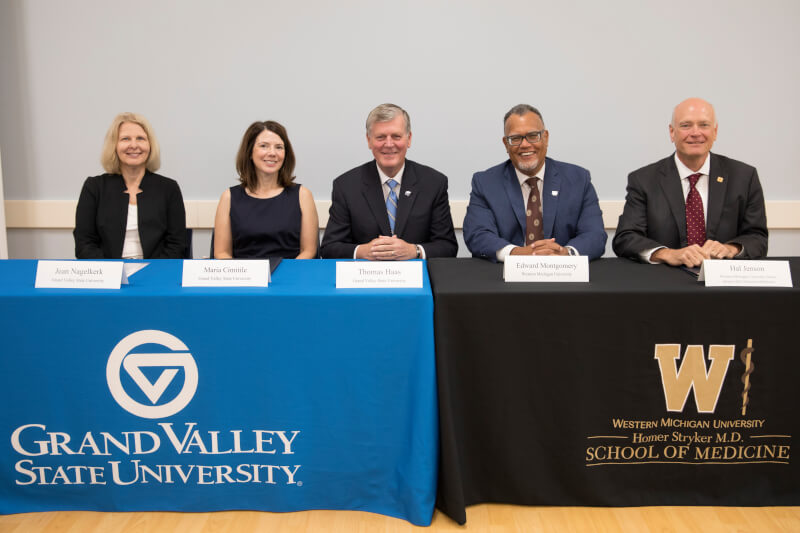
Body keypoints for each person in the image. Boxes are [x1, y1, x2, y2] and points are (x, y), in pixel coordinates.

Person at [612, 98, 768, 266]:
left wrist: (731, 249)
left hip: (723, 277)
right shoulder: (644, 180)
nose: (695, 133)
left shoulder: (744, 177)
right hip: (665, 277)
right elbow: (626, 238)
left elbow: (757, 237)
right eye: (686, 125)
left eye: (704, 125)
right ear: (672, 132)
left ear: (715, 132)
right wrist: (668, 254)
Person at [463, 104, 606, 261]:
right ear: (506, 144)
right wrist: (517, 253)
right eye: (515, 138)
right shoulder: (485, 183)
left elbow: (594, 234)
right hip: (505, 273)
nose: (525, 144)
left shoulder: (578, 179)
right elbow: (478, 234)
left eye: (532, 136)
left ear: (546, 138)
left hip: (565, 272)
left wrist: (565, 253)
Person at [319, 103, 457, 260]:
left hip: (417, 273)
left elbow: (448, 246)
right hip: (365, 273)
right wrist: (363, 251)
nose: (389, 144)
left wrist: (414, 251)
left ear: (409, 139)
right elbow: (329, 248)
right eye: (380, 137)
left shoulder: (433, 183)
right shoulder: (346, 186)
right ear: (369, 140)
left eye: (396, 136)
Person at [74, 112, 186, 259]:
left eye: (140, 138)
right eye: (125, 139)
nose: (134, 145)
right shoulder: (94, 188)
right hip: (108, 271)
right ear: (114, 146)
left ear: (150, 145)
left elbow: (177, 245)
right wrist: (113, 270)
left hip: (156, 271)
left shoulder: (169, 188)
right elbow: (84, 244)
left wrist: (151, 271)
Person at [213, 120, 318, 259]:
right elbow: (221, 253)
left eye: (279, 147)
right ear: (249, 152)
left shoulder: (303, 195)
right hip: (244, 272)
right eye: (264, 146)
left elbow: (309, 251)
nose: (272, 153)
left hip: (291, 271)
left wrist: (286, 272)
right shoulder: (228, 198)